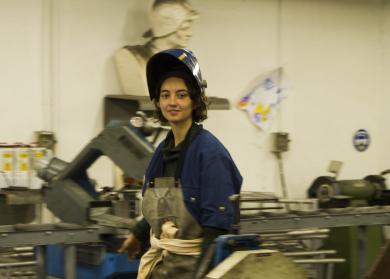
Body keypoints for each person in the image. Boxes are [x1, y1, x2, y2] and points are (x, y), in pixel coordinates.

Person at [118, 48, 243, 279]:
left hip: (194, 269)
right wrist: (137, 234)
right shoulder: (161, 153)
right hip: (165, 266)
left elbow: (216, 232)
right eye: (165, 95)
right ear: (158, 102)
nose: (172, 102)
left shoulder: (210, 154)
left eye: (181, 95)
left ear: (195, 101)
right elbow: (160, 210)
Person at [114, 0, 199, 96]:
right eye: (184, 28)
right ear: (166, 29)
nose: (190, 34)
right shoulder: (131, 57)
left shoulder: (187, 61)